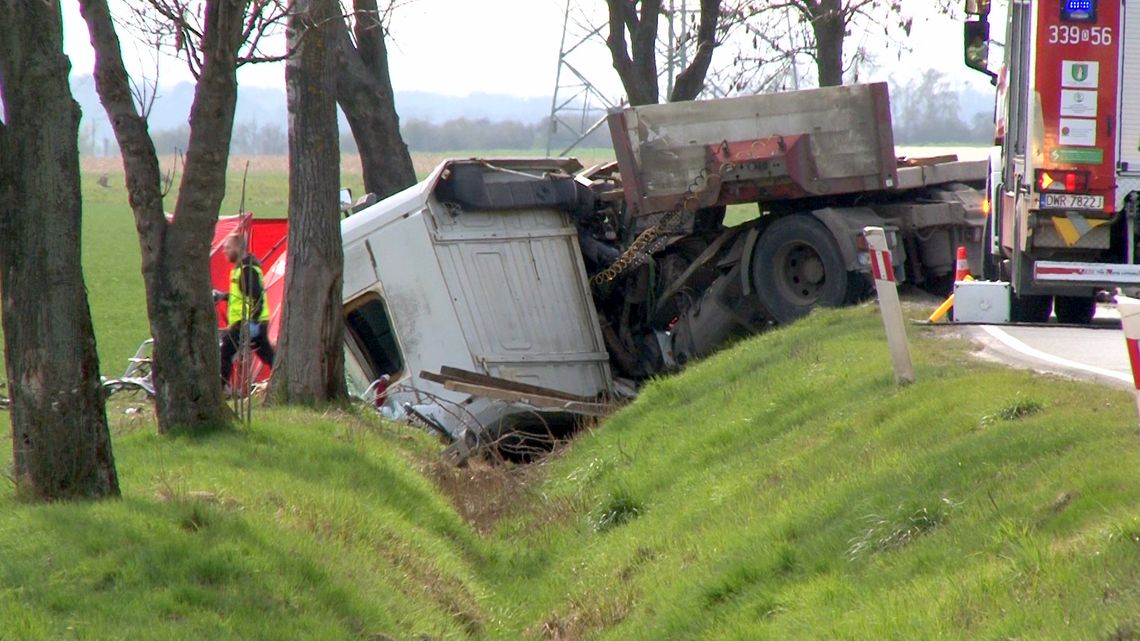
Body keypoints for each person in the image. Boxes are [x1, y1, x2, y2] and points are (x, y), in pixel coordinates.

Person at [214, 234, 274, 392]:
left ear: (238, 248)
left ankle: (220, 388)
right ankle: (281, 377)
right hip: (252, 322)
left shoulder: (247, 271)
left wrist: (251, 323)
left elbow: (257, 298)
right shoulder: (242, 269)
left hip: (247, 322)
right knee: (267, 355)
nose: (224, 251)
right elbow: (241, 296)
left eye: (227, 247)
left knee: (225, 351)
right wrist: (223, 296)